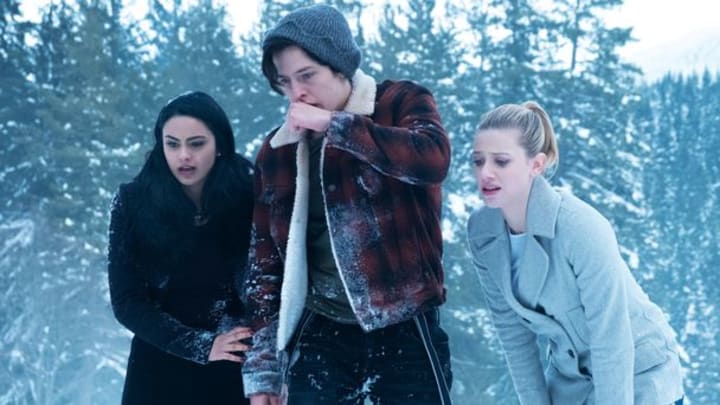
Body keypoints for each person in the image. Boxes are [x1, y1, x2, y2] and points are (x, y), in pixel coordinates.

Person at [241, 4, 453, 405]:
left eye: (307, 75)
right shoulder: (278, 150)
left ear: (340, 66)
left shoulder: (399, 102)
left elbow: (433, 158)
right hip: (322, 330)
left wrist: (336, 126)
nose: (297, 93)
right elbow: (265, 265)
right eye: (285, 82)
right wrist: (263, 370)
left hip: (406, 324)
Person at [466, 101, 684, 404]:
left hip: (638, 373)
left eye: (501, 161)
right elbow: (514, 337)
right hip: (571, 382)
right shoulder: (481, 232)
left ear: (536, 165)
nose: (485, 173)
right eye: (478, 161)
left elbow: (611, 339)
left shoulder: (579, 226)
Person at [107, 91, 254, 404]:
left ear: (219, 144)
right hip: (158, 367)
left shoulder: (250, 194)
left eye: (196, 143)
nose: (184, 155)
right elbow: (127, 301)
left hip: (235, 366)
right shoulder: (133, 202)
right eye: (172, 144)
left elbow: (270, 286)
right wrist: (202, 345)